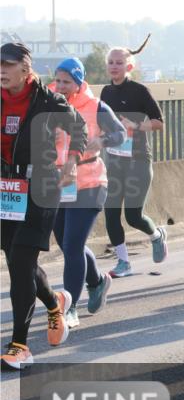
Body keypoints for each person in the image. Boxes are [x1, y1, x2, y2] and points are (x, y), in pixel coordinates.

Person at [1, 43, 84, 369]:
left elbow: (79, 127)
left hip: (41, 186)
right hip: (7, 189)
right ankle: (55, 301)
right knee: (18, 262)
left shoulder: (47, 100)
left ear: (26, 69)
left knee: (22, 259)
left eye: (8, 64)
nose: (2, 70)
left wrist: (72, 162)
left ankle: (20, 346)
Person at [50, 58, 124, 327]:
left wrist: (101, 139)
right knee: (68, 244)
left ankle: (70, 308)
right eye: (58, 80)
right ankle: (97, 281)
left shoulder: (96, 107)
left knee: (72, 246)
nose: (61, 86)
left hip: (90, 182)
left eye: (67, 82)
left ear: (79, 83)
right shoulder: (48, 102)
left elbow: (120, 133)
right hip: (59, 183)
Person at [100, 35, 169, 277]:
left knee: (133, 216)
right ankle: (123, 263)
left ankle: (156, 235)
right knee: (110, 213)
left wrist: (136, 126)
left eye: (119, 62)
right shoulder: (105, 92)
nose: (114, 66)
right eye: (111, 62)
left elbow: (159, 123)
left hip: (138, 160)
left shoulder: (140, 91)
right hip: (113, 161)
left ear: (129, 66)